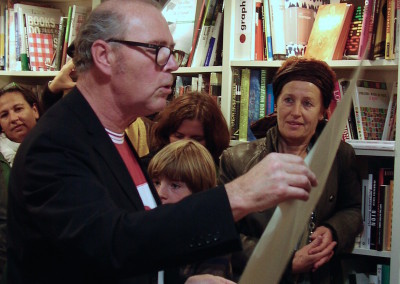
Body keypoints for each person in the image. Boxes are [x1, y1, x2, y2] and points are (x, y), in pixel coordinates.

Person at [6, 1, 317, 283]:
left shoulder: (112, 134)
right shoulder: (55, 144)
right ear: (104, 56)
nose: (172, 65)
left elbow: (140, 241)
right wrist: (237, 195)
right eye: (156, 50)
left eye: (172, 52)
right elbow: (110, 245)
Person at [219, 57, 363, 283]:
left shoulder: (340, 155)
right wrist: (285, 262)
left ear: (323, 112)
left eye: (307, 103)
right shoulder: (236, 160)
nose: (296, 112)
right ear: (276, 105)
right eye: (288, 100)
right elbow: (223, 235)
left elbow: (353, 210)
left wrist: (333, 230)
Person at [148, 139, 233, 281]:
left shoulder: (212, 243)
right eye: (156, 182)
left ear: (199, 194)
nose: (160, 193)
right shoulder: (146, 227)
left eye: (175, 185)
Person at [0, 82, 42, 279]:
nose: (13, 119)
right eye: (4, 115)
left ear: (34, 110)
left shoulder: (60, 148)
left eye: (18, 109)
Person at [142, 90, 230, 168]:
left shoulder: (222, 172)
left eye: (196, 139)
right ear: (166, 134)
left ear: (211, 142)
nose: (185, 145)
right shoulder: (146, 168)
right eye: (178, 136)